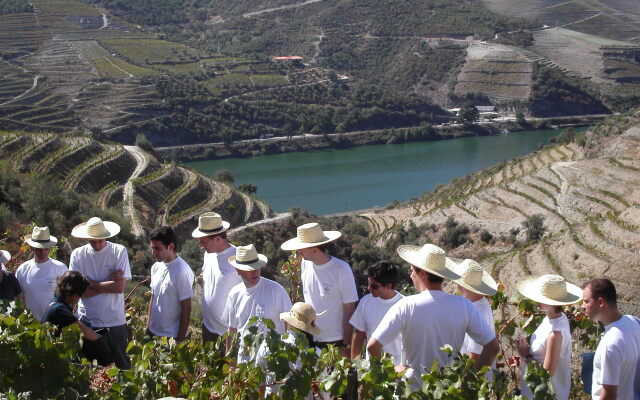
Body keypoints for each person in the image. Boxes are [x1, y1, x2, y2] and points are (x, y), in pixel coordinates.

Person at [367, 244, 499, 390]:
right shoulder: (465, 306)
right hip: (448, 391)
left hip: (412, 391)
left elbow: (373, 346)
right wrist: (470, 379)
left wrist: (390, 372)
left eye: (412, 271)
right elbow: (492, 347)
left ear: (423, 273)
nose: (411, 275)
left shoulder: (406, 305)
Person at [281, 222, 358, 357]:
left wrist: (346, 345)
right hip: (311, 338)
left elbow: (349, 310)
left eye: (302, 249)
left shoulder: (342, 270)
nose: (299, 252)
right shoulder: (305, 264)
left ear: (314, 249)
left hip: (335, 341)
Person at [69, 217, 132, 369]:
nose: (96, 244)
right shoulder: (78, 255)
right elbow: (78, 293)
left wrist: (90, 283)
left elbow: (119, 288)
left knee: (122, 368)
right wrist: (108, 280)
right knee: (88, 369)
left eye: (100, 241)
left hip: (115, 321)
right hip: (87, 322)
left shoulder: (118, 251)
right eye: (93, 241)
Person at [516, 274, 580, 400]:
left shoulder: (555, 334)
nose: (536, 301)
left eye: (541, 298)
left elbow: (546, 375)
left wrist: (526, 355)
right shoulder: (556, 318)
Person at [224, 244, 292, 363]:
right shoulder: (234, 294)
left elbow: (289, 324)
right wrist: (230, 363)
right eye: (250, 269)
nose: (255, 271)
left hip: (272, 362)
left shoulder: (276, 290)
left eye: (257, 267)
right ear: (238, 271)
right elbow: (232, 330)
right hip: (245, 362)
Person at [581, 278, 640, 400]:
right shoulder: (634, 322)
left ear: (600, 302)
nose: (582, 306)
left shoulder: (610, 345)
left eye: (586, 301)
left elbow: (609, 396)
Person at [256, 302, 325, 399]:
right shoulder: (317, 355)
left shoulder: (268, 345)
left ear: (288, 322)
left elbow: (258, 379)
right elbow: (323, 394)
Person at [192, 212, 240, 346]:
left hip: (227, 334)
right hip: (207, 328)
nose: (201, 245)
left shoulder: (238, 259)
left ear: (218, 239)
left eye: (204, 241)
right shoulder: (209, 255)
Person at [349, 261, 404, 365]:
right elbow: (359, 333)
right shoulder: (366, 301)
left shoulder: (405, 305)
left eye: (374, 286)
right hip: (371, 371)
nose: (369, 288)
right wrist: (354, 365)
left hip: (398, 369)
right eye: (368, 284)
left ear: (388, 286)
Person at [451, 259, 497, 379]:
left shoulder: (479, 311)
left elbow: (475, 355)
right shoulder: (477, 305)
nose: (456, 286)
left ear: (464, 286)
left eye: (457, 283)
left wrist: (465, 381)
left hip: (477, 381)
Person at [148, 226, 194, 342]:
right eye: (152, 248)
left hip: (171, 337)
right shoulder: (156, 267)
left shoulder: (182, 271)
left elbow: (186, 308)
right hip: (153, 333)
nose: (153, 253)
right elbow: (153, 299)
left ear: (171, 247)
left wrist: (179, 340)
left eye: (157, 249)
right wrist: (148, 328)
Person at [15, 226, 68, 321]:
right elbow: (19, 298)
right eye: (39, 249)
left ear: (50, 248)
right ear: (31, 248)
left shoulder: (60, 268)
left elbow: (67, 297)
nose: (42, 252)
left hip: (55, 324)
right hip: (30, 325)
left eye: (46, 248)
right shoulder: (22, 270)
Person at [43, 270, 100, 342]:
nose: (80, 298)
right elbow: (88, 334)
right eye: (79, 294)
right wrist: (99, 337)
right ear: (71, 291)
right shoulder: (60, 310)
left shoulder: (55, 302)